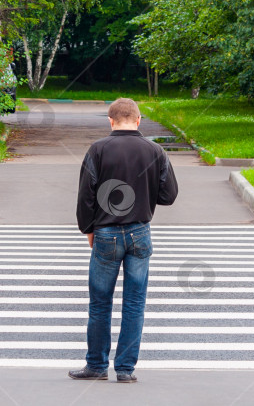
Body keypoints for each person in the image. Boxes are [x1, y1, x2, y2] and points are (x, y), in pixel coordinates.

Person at [69, 98, 179, 383]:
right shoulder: (155, 151)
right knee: (134, 303)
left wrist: (89, 229)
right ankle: (126, 369)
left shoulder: (99, 149)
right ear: (138, 120)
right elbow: (169, 195)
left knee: (100, 303)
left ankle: (95, 366)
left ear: (111, 121)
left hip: (106, 233)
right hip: (140, 233)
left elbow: (85, 196)